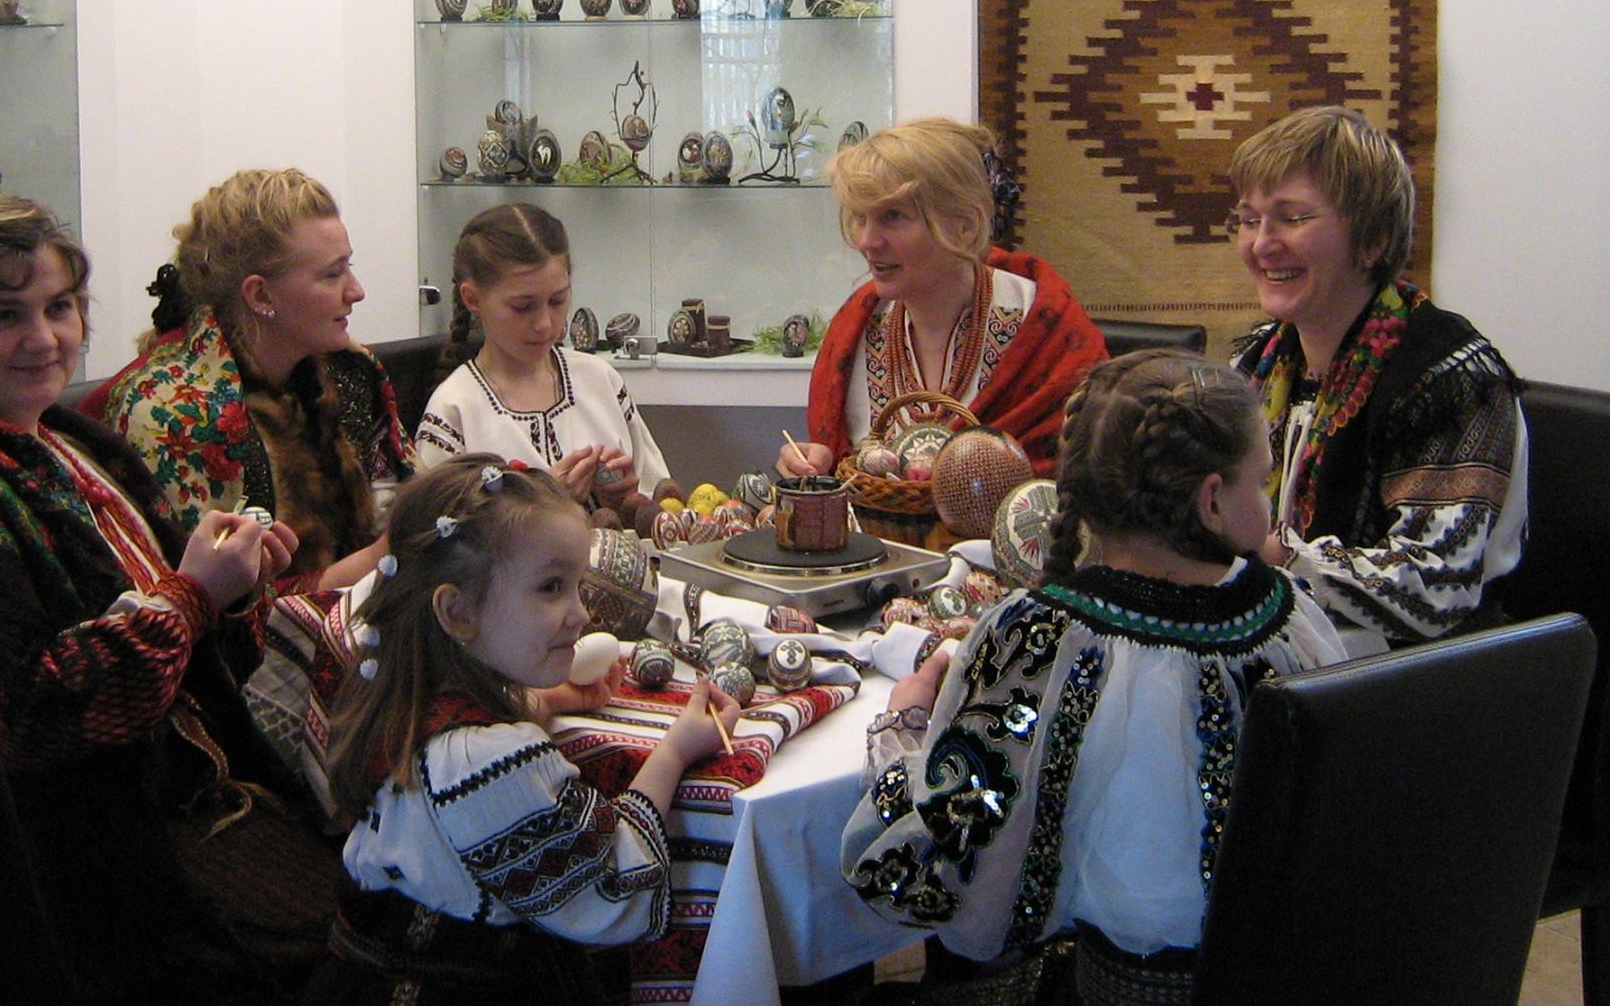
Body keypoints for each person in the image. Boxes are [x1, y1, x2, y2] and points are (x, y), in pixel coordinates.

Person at [0, 189, 342, 1003]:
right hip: (102, 877)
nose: (46, 338)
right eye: (4, 317)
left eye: (60, 307)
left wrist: (233, 594)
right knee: (412, 935)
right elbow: (26, 719)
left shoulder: (64, 441)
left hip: (187, 807)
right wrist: (191, 597)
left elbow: (195, 667)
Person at [840, 350, 1346, 1003]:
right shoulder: (1289, 617)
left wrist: (902, 727)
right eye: (1263, 481)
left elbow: (931, 868)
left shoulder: (1035, 638)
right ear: (1213, 500)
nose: (1269, 503)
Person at [306, 455, 738, 1005]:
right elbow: (616, 890)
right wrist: (675, 752)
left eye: (578, 586)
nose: (581, 615)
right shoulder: (490, 762)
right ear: (458, 613)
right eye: (551, 587)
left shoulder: (401, 707)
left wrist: (546, 701)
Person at [1226, 105, 1526, 651]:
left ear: (1374, 239)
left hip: (1424, 678)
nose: (1261, 244)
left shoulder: (1452, 379)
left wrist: (1273, 553)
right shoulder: (1258, 361)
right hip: (1296, 648)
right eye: (1249, 220)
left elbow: (1437, 586)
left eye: (1291, 218)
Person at [98, 168, 414, 592]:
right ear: (261, 295)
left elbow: (403, 498)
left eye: (349, 266)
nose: (356, 291)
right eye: (332, 274)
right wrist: (379, 559)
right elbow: (198, 606)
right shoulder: (170, 414)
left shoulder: (349, 372)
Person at [779, 118, 1108, 480]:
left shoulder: (1048, 330)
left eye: (893, 216)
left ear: (965, 225)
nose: (867, 241)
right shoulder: (854, 328)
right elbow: (842, 469)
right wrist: (819, 465)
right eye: (860, 217)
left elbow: (1089, 480)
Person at [415, 202, 671, 511]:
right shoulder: (456, 409)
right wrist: (544, 505)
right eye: (522, 307)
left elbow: (663, 502)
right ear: (473, 299)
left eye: (557, 301)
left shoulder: (599, 380)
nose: (545, 324)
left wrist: (626, 501)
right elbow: (437, 534)